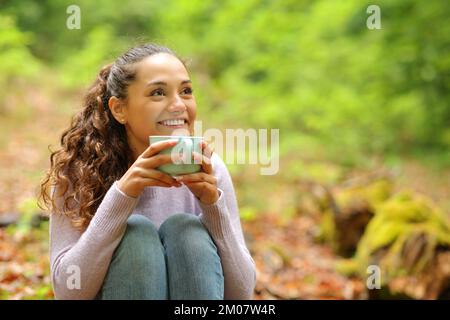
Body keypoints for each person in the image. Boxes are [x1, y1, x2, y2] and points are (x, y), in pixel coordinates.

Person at [39, 43, 256, 300]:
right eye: (158, 93)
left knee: (187, 230)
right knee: (136, 234)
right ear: (119, 109)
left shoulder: (209, 168)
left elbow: (242, 296)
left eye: (186, 91)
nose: (178, 105)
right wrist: (121, 198)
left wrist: (212, 206)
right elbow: (68, 292)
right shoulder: (79, 170)